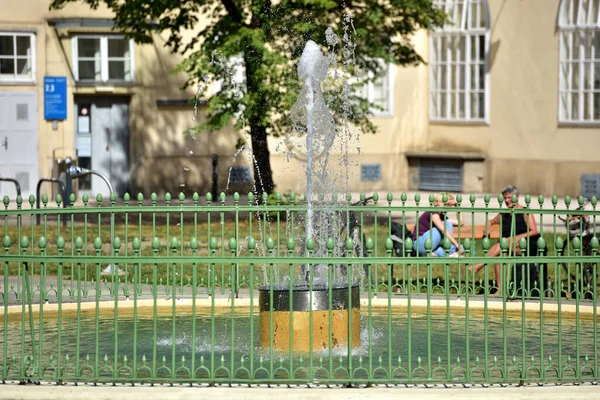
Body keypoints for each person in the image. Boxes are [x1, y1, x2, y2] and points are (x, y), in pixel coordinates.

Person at [470, 185, 539, 292]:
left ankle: (479, 264)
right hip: (508, 246)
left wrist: (516, 237)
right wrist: (488, 227)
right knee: (500, 256)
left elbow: (534, 231)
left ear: (517, 197)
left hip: (526, 245)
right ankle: (500, 289)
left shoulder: (525, 212)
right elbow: (491, 221)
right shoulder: (505, 213)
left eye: (509, 198)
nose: (506, 200)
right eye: (505, 198)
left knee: (503, 243)